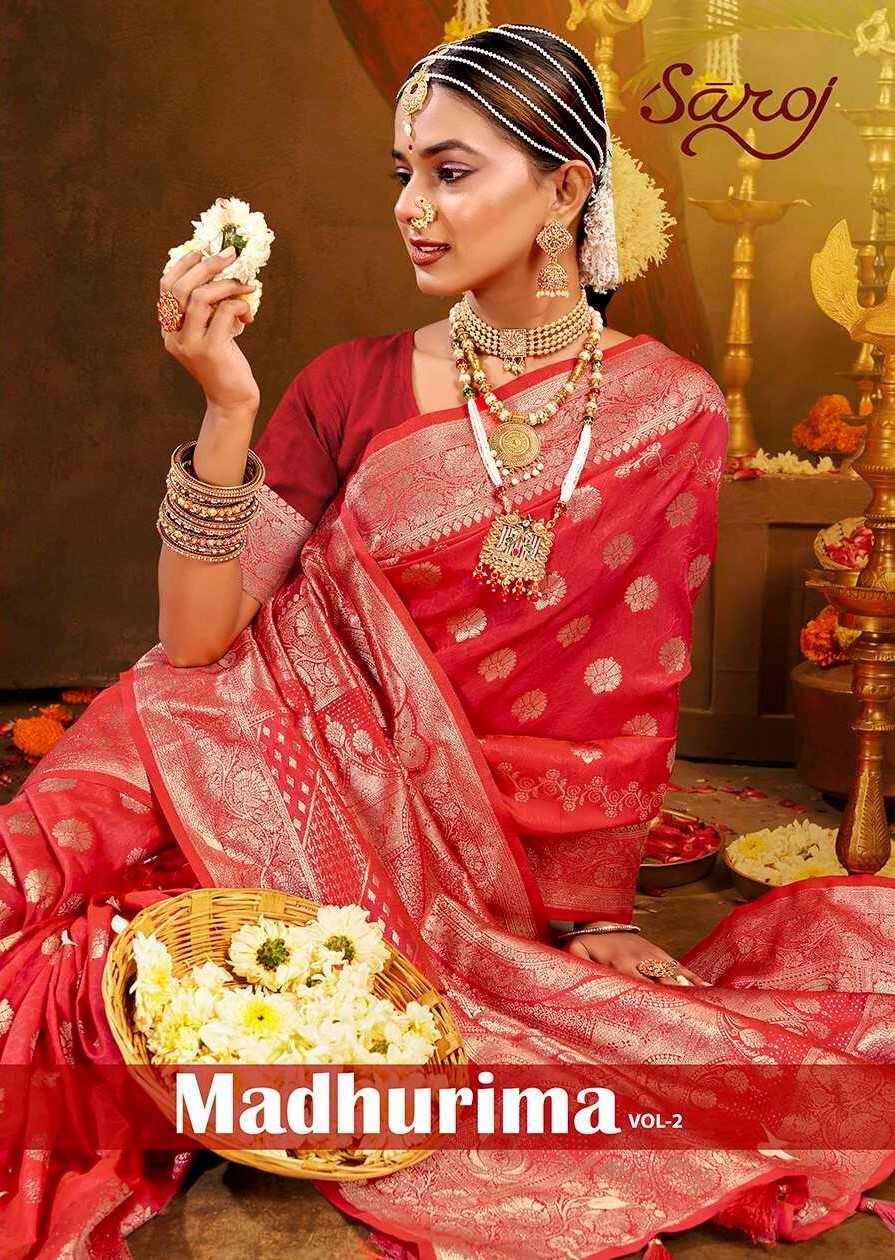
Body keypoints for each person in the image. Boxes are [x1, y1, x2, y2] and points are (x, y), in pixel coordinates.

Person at [2, 21, 894, 1260]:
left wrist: (590, 910)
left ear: (566, 190)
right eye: (401, 173)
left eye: (451, 171)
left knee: (140, 1006)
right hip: (230, 749)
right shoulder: (348, 384)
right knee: (34, 925)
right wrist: (226, 405)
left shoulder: (668, 410)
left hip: (454, 863)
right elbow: (197, 641)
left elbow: (624, 689)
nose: (411, 208)